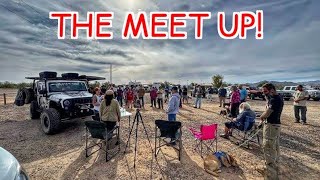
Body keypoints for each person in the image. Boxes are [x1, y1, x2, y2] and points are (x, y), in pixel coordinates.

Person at [256, 83, 284, 180]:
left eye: (265, 91)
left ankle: (270, 173)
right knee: (274, 146)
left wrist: (261, 116)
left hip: (271, 125)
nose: (264, 93)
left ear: (272, 90)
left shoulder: (274, 99)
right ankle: (273, 168)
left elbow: (268, 112)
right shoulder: (278, 97)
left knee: (268, 146)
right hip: (275, 125)